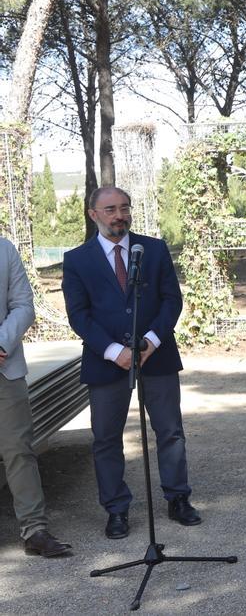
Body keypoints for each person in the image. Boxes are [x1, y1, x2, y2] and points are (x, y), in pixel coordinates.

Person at [61, 186, 201, 540]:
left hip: (157, 355)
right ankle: (116, 509)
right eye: (110, 209)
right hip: (106, 361)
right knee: (106, 439)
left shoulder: (152, 250)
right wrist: (113, 350)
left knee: (170, 432)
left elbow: (172, 300)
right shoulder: (77, 259)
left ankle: (177, 498)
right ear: (93, 214)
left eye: (124, 208)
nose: (119, 215)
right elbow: (79, 316)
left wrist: (151, 341)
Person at [0, 236, 72, 557]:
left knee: (19, 451)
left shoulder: (5, 250)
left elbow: (24, 306)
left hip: (5, 366)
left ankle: (35, 530)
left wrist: (1, 343)